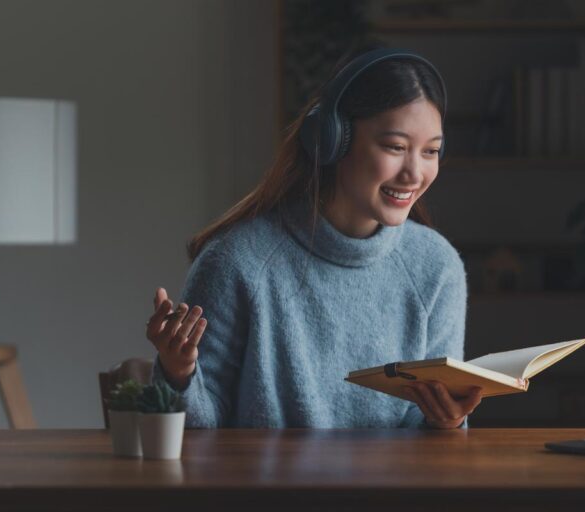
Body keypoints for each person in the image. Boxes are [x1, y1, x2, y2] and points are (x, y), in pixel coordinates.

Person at [144, 46, 482, 428]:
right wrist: (178, 374)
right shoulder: (237, 261)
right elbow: (199, 436)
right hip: (267, 487)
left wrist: (449, 422)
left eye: (431, 152)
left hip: (393, 488)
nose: (415, 173)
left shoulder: (436, 266)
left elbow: (434, 442)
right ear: (332, 138)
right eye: (395, 147)